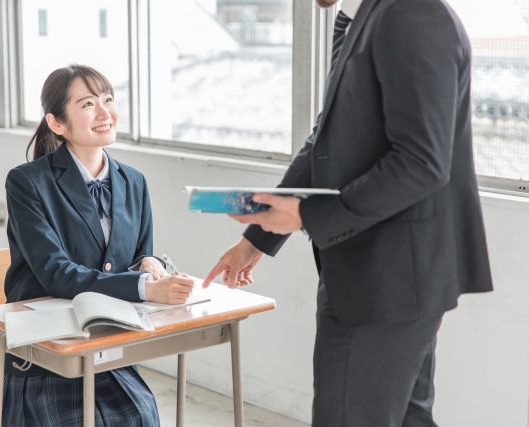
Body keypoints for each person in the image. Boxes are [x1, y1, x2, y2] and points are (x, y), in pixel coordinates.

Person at [203, 0, 493, 425]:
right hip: (375, 274)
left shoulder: (411, 13)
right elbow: (326, 140)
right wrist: (257, 238)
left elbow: (421, 162)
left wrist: (307, 216)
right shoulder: (362, 18)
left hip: (389, 279)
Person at [0, 64, 194, 426]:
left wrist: (149, 264)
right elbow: (55, 274)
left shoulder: (134, 181)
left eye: (108, 99)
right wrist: (146, 288)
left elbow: (137, 252)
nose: (106, 112)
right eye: (88, 104)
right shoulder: (26, 182)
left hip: (107, 351)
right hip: (41, 358)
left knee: (142, 417)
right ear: (57, 124)